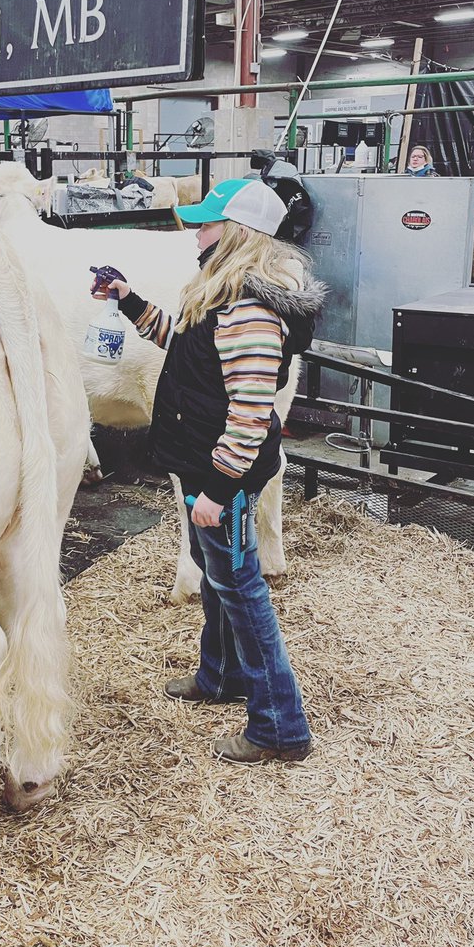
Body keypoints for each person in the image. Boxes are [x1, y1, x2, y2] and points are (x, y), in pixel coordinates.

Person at [91, 179, 325, 765]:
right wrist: (129, 299)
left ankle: (280, 726)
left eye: (206, 224)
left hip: (224, 475)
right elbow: (184, 346)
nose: (195, 232)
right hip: (200, 461)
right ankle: (220, 676)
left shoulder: (250, 310)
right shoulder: (222, 296)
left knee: (242, 590)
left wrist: (219, 491)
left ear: (237, 235)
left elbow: (250, 415)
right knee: (218, 576)